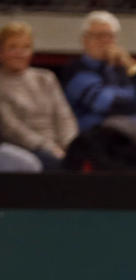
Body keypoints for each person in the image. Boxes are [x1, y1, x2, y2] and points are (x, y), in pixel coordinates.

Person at [62, 11, 136, 132]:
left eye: (110, 36)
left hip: (133, 137)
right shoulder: (76, 70)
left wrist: (131, 65)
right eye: (99, 36)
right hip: (95, 139)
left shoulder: (125, 69)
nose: (105, 41)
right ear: (85, 40)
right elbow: (105, 103)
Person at [0, 21, 78, 170]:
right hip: (24, 147)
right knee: (54, 164)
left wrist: (70, 145)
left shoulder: (46, 77)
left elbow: (64, 116)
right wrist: (49, 148)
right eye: (13, 47)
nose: (20, 53)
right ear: (1, 51)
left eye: (26, 47)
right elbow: (11, 128)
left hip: (59, 146)